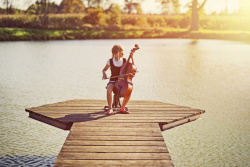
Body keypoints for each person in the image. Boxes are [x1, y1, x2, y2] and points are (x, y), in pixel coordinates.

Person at [102, 44, 135, 115]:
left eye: (123, 52)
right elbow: (104, 70)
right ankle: (110, 109)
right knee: (109, 89)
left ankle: (122, 108)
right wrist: (104, 73)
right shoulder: (110, 61)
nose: (123, 54)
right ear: (115, 53)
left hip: (123, 81)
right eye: (120, 53)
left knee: (128, 92)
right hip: (113, 80)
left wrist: (132, 57)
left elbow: (132, 68)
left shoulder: (124, 60)